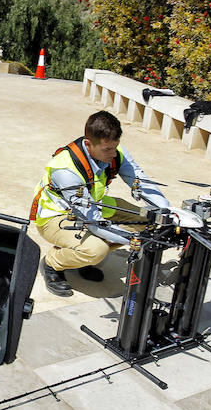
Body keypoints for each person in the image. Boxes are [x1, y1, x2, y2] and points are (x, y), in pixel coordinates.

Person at [29, 110, 170, 295]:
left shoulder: (114, 150)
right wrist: (132, 239)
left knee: (148, 222)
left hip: (93, 205)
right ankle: (53, 263)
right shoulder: (65, 170)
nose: (113, 154)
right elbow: (93, 222)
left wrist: (166, 210)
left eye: (115, 147)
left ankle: (79, 256)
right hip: (55, 216)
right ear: (88, 144)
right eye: (107, 150)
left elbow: (139, 180)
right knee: (96, 250)